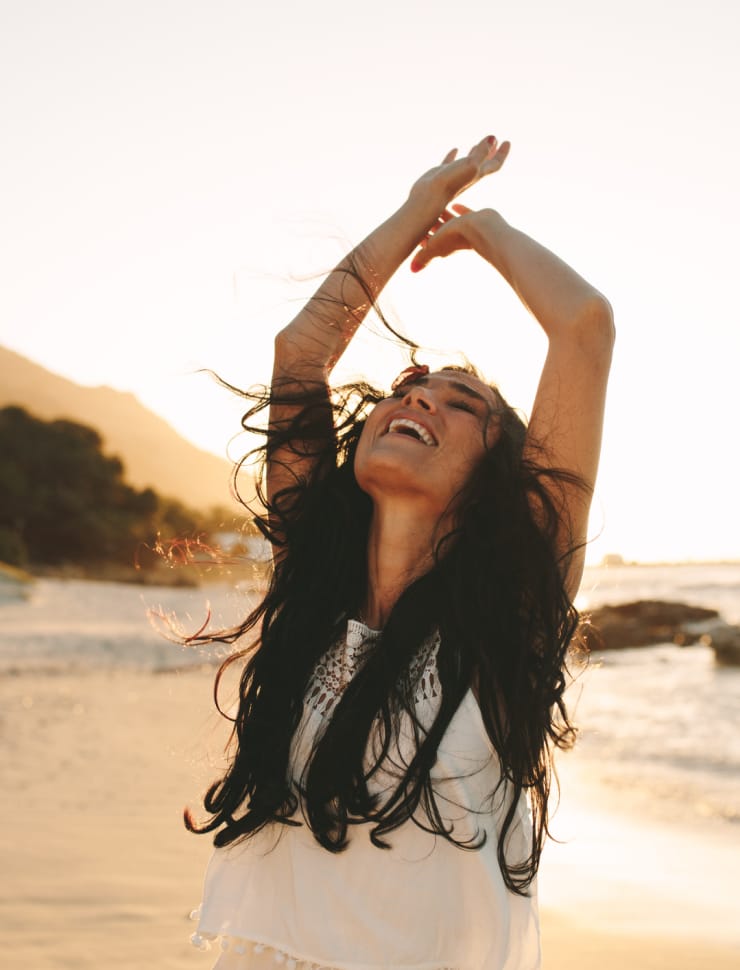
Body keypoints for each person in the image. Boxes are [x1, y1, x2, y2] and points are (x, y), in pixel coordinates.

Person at [187, 134, 614, 970]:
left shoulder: (507, 619)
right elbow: (301, 353)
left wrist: (478, 226)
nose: (417, 399)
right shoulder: (314, 589)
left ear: (497, 481)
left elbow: (584, 326)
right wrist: (413, 206)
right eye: (408, 391)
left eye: (462, 405)